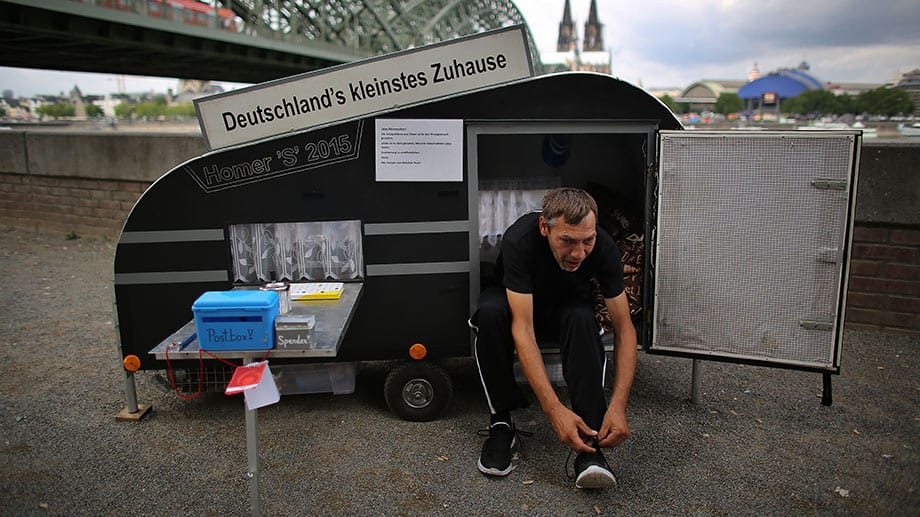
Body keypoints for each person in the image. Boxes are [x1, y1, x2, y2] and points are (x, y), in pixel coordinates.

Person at [470, 187, 637, 489]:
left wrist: (619, 405)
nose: (579, 253)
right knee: (490, 313)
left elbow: (624, 328)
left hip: (566, 305)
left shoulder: (603, 246)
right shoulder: (519, 240)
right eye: (567, 241)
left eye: (587, 241)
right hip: (519, 304)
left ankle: (590, 444)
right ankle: (501, 424)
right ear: (545, 228)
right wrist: (554, 410)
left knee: (583, 317)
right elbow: (523, 329)